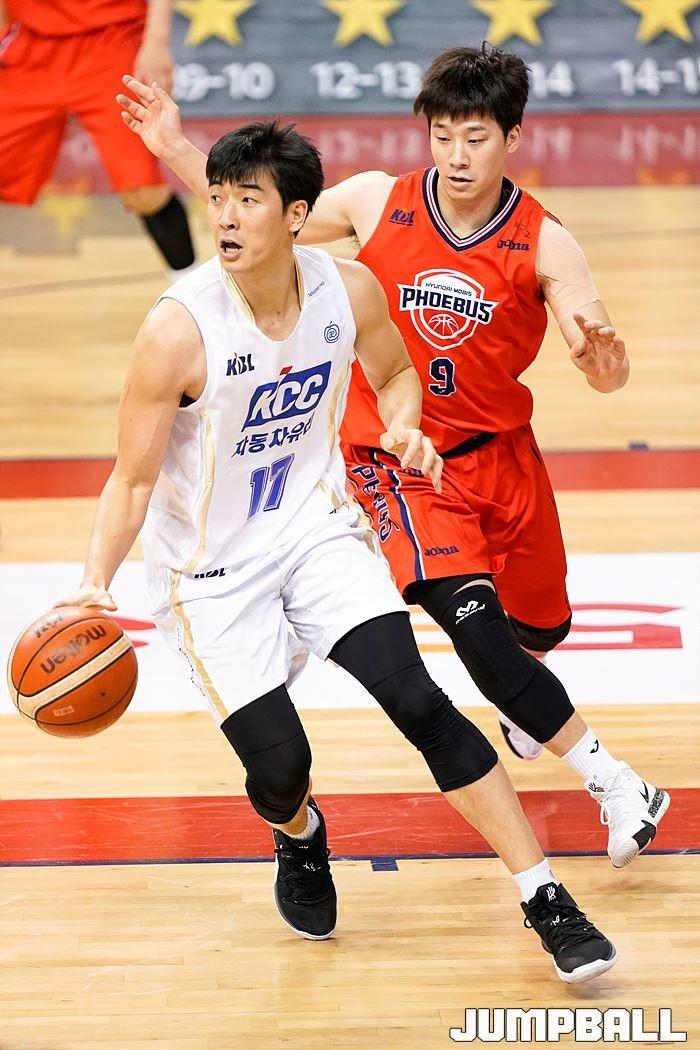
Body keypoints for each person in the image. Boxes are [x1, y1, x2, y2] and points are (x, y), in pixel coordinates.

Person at [57, 121, 616, 984]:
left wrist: (402, 427)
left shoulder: (346, 290)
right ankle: (300, 833)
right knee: (282, 768)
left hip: (315, 531)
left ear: (297, 215)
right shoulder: (178, 331)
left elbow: (395, 373)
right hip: (210, 574)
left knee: (420, 700)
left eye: (248, 199)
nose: (226, 217)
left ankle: (547, 898)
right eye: (218, 198)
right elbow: (130, 480)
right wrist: (94, 581)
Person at [115, 45, 670, 870]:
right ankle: (617, 784)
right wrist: (172, 147)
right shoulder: (378, 201)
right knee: (476, 635)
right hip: (399, 460)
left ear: (512, 138)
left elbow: (604, 366)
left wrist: (605, 366)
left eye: (475, 138)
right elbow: (267, 213)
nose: (456, 155)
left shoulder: (547, 243)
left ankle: (529, 701)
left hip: (503, 459)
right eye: (442, 136)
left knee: (537, 629)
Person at [0, 0, 195, 280]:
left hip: (111, 38)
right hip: (30, 43)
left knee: (142, 187)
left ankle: (194, 286)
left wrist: (156, 41)